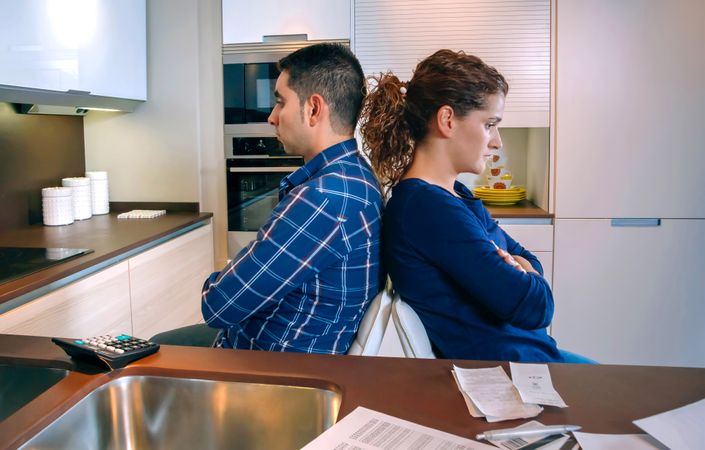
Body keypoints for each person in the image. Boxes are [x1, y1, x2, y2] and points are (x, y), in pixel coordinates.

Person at [360, 49, 593, 363]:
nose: (497, 141)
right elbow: (537, 307)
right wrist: (523, 273)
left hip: (533, 360)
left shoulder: (454, 195)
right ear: (447, 120)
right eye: (489, 124)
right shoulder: (426, 209)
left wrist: (524, 270)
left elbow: (528, 261)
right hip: (512, 376)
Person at [154, 43, 383, 354]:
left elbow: (219, 305)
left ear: (313, 109)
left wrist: (230, 273)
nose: (272, 117)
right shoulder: (357, 175)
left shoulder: (324, 199)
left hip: (266, 369)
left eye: (280, 102)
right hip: (281, 348)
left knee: (150, 350)